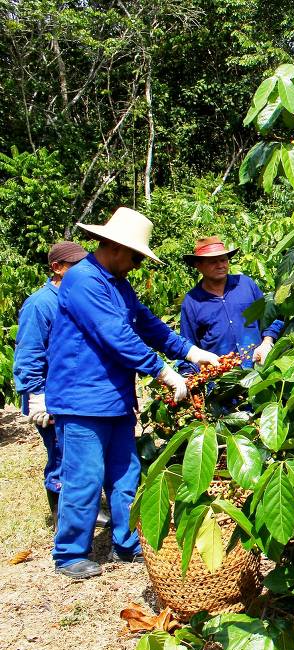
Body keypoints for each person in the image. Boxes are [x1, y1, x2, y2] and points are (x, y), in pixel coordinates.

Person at [46, 207, 222, 580]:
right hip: (81, 399)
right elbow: (115, 334)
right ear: (113, 246)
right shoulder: (83, 281)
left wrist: (189, 351)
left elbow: (147, 325)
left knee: (126, 473)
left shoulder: (118, 284)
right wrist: (161, 371)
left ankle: (128, 542)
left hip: (115, 397)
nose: (137, 265)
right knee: (85, 475)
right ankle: (69, 553)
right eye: (136, 257)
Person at [13, 241, 90, 524]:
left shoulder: (78, 298)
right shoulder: (41, 303)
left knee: (79, 456)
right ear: (57, 268)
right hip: (51, 396)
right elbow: (29, 353)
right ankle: (62, 518)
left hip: (76, 395)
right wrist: (37, 394)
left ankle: (81, 510)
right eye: (76, 266)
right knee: (61, 456)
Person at [179, 236, 283, 371]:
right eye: (213, 262)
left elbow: (271, 317)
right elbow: (188, 344)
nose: (221, 265)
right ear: (198, 265)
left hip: (259, 369)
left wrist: (267, 342)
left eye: (223, 260)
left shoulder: (246, 284)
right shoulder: (192, 301)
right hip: (221, 379)